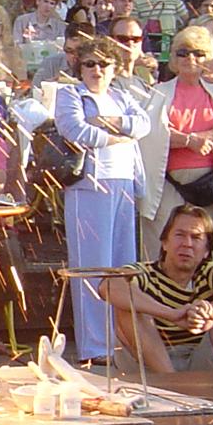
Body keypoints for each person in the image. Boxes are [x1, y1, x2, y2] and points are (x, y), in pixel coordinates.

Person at [54, 36, 152, 365]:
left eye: (103, 64)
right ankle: (96, 346)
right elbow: (75, 130)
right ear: (79, 68)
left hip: (124, 181)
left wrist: (114, 126)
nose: (97, 70)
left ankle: (123, 340)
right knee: (92, 267)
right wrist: (119, 136)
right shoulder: (70, 94)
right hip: (89, 185)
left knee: (123, 265)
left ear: (114, 68)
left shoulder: (122, 95)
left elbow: (144, 124)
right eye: (89, 64)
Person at [104, 204, 213, 373]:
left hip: (200, 358)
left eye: (196, 237)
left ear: (206, 250)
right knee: (127, 304)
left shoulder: (211, 272)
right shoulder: (144, 272)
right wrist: (171, 314)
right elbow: (108, 285)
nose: (187, 244)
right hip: (148, 364)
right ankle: (170, 380)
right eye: (179, 235)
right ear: (164, 243)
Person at [137, 26, 213, 258]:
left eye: (197, 53)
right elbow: (148, 134)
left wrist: (210, 137)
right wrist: (188, 140)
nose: (189, 59)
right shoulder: (158, 94)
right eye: (182, 53)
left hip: (210, 184)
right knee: (164, 248)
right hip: (167, 183)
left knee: (207, 251)